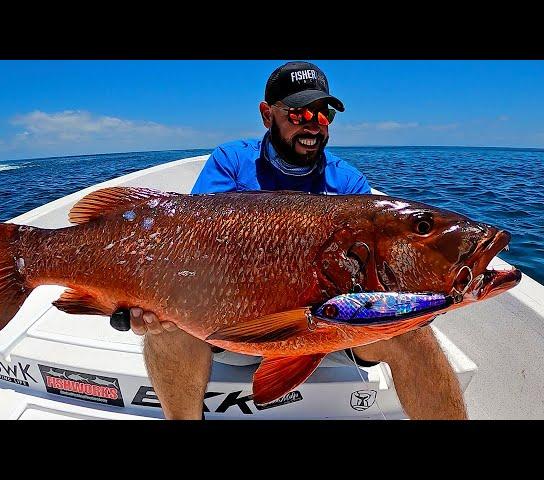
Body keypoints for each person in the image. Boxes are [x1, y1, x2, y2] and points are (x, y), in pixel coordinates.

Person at [129, 61, 467, 420]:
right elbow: (193, 244)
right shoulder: (230, 162)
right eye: (300, 112)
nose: (312, 123)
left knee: (413, 332)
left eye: (324, 115)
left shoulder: (348, 186)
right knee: (168, 324)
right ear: (266, 114)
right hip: (229, 326)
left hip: (329, 329)